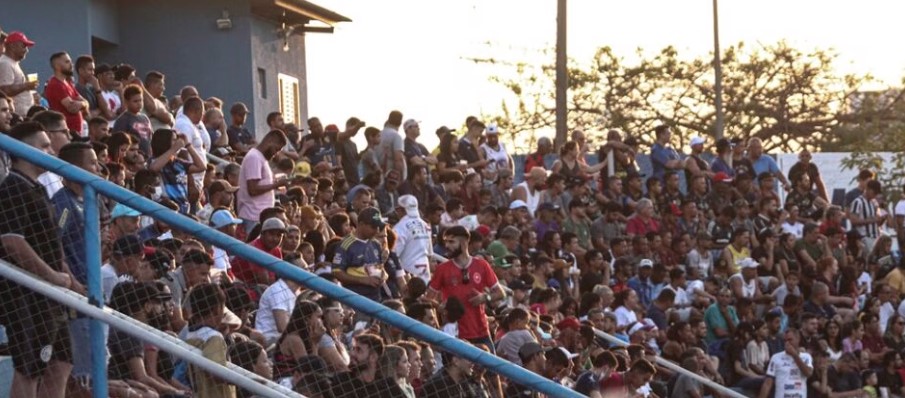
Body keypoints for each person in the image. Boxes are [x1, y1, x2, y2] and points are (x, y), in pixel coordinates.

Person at [0, 121, 85, 398]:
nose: (51, 151)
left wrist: (69, 279)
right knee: (30, 369)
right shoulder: (13, 187)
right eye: (44, 146)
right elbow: (12, 242)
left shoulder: (38, 189)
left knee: (61, 364)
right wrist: (51, 276)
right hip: (27, 295)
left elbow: (50, 242)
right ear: (24, 151)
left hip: (51, 294)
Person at [427, 226, 507, 351]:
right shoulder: (442, 269)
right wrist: (440, 307)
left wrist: (485, 297)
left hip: (481, 331)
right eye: (446, 241)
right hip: (455, 334)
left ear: (464, 242)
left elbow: (501, 293)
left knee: (492, 369)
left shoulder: (482, 265)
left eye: (451, 242)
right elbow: (428, 299)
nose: (447, 245)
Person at [183, 283, 236, 398]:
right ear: (217, 309)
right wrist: (241, 380)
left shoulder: (188, 334)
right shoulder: (213, 337)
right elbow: (215, 371)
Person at [237, 129, 290, 231]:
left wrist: (275, 183)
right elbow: (252, 189)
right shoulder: (254, 157)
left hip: (259, 216)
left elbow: (260, 184)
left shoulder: (260, 158)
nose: (275, 154)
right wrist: (275, 185)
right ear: (270, 140)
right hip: (252, 216)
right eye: (276, 149)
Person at [758, 328, 813, 398]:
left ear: (798, 339)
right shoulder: (776, 357)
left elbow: (808, 373)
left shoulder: (806, 357)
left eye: (790, 340)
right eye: (785, 340)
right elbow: (768, 383)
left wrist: (795, 355)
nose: (787, 343)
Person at [44, 52, 88, 134]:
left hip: (76, 132)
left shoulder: (68, 83)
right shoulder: (55, 85)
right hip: (66, 133)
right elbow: (72, 108)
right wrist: (83, 104)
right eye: (67, 62)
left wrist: (82, 104)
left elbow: (85, 102)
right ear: (57, 66)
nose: (72, 65)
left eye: (71, 61)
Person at [394, 194, 434, 284]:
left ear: (401, 210)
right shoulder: (426, 226)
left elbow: (394, 254)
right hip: (425, 274)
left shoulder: (400, 228)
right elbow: (430, 254)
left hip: (409, 276)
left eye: (397, 210)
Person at [0, 31, 37, 117]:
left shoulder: (11, 63)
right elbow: (4, 91)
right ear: (12, 46)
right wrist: (26, 86)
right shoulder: (5, 63)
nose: (27, 50)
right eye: (24, 46)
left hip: (22, 114)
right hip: (15, 116)